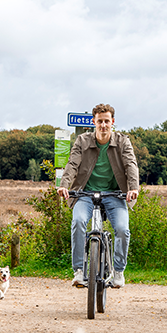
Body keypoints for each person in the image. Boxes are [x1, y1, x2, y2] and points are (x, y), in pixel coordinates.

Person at [58, 104, 140, 289]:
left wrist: (133, 188)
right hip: (85, 193)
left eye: (106, 121)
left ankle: (118, 271)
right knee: (78, 222)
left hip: (114, 194)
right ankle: (79, 271)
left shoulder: (122, 141)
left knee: (122, 229)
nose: (103, 125)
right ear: (93, 122)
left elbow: (130, 165)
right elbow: (72, 164)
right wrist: (64, 185)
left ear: (112, 122)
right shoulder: (82, 141)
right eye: (99, 121)